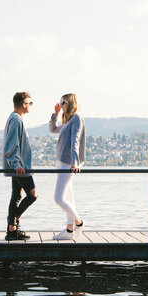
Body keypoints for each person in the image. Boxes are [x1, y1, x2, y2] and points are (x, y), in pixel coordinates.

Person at [48, 93, 86, 240]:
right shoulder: (68, 120)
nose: (61, 105)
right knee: (68, 198)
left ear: (69, 102)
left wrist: (74, 162)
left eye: (63, 103)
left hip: (67, 163)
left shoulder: (77, 118)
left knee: (58, 198)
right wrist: (55, 114)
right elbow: (52, 130)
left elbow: (75, 140)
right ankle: (69, 231)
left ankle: (79, 222)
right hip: (61, 163)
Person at [2, 92, 38, 240]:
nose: (30, 106)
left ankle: (12, 231)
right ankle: (14, 219)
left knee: (16, 196)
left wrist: (28, 165)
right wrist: (17, 164)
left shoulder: (15, 118)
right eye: (30, 103)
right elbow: (11, 144)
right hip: (18, 167)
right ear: (23, 104)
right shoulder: (16, 120)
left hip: (20, 166)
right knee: (32, 195)